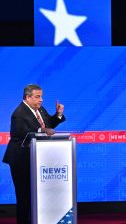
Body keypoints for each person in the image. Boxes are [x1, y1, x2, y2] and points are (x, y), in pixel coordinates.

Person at [2, 84, 66, 224]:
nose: (41, 100)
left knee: (36, 195)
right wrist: (43, 130)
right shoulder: (19, 113)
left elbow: (49, 124)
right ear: (27, 97)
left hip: (37, 158)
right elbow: (22, 133)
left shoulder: (39, 109)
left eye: (41, 96)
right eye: (37, 97)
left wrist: (59, 115)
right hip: (21, 160)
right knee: (24, 196)